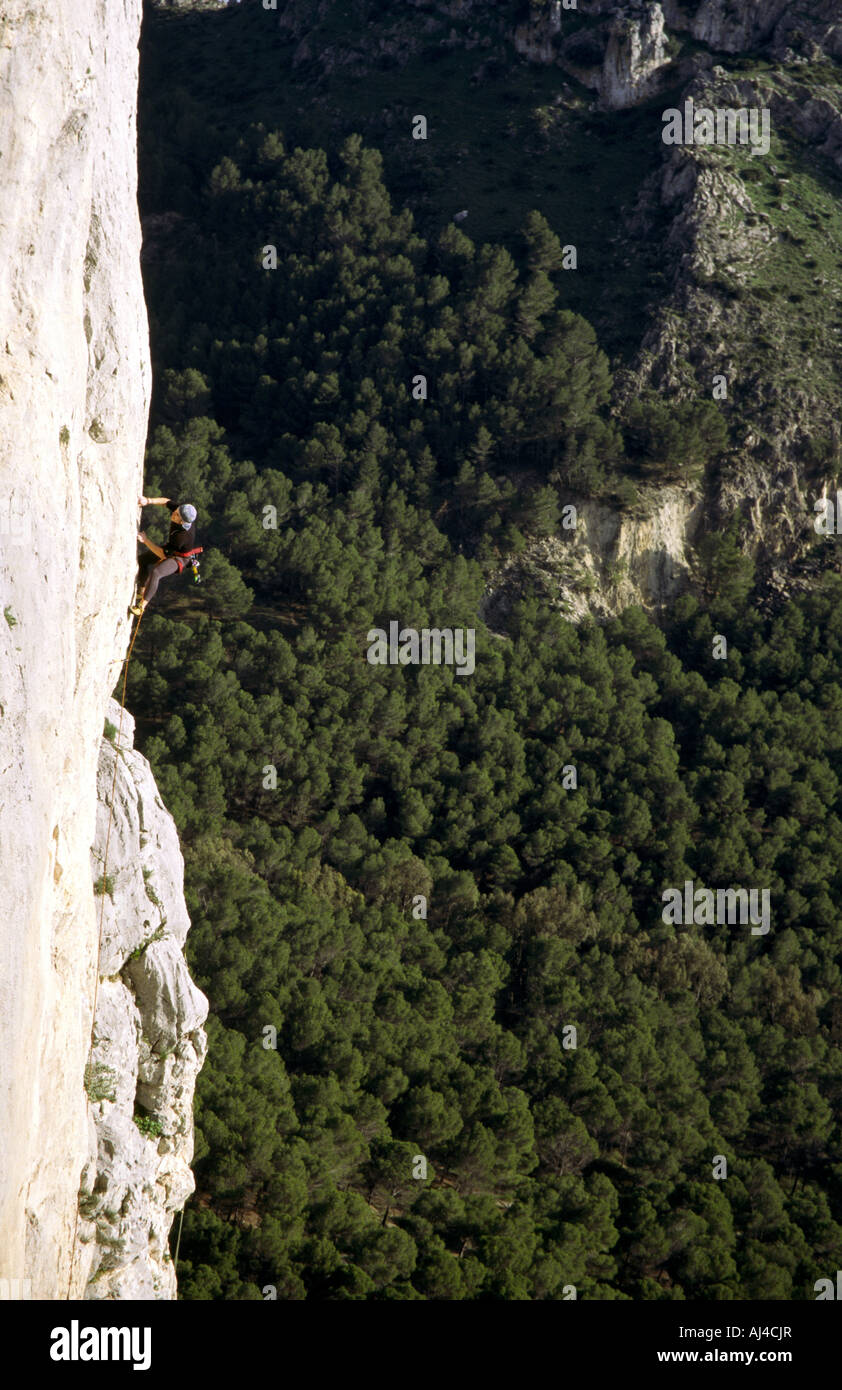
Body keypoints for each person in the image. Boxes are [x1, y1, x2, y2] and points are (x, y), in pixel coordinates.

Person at [131, 496, 199, 615]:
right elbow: (167, 502)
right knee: (143, 560)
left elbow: (162, 554)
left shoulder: (181, 536)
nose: (174, 514)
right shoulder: (180, 511)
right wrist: (148, 501)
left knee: (156, 572)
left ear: (182, 522)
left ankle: (142, 606)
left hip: (180, 558)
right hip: (171, 549)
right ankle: (141, 592)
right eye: (176, 512)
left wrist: (145, 540)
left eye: (177, 515)